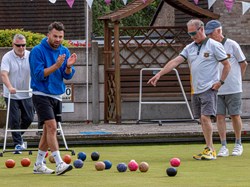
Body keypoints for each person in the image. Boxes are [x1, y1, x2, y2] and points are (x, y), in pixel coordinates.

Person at [147, 19, 231, 160]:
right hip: (196, 89)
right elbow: (175, 61)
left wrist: (220, 82)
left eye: (194, 33)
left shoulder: (214, 46)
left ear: (201, 29)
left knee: (205, 117)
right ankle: (208, 148)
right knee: (202, 119)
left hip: (209, 88)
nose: (192, 36)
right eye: (190, 33)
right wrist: (159, 74)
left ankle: (211, 149)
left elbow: (227, 65)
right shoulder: (189, 47)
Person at [29, 22, 77, 175]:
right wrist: (56, 65)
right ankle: (59, 163)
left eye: (61, 37)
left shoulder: (64, 50)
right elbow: (38, 75)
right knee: (52, 127)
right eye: (55, 36)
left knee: (46, 130)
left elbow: (67, 75)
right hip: (41, 94)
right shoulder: (37, 51)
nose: (58, 39)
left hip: (57, 95)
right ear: (48, 34)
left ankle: (38, 164)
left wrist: (68, 66)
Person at [205, 20, 248, 157]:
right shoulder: (209, 46)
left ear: (218, 31)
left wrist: (238, 80)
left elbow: (243, 63)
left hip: (233, 87)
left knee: (235, 115)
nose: (209, 36)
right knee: (219, 116)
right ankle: (223, 145)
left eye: (211, 33)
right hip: (216, 88)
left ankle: (238, 143)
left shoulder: (232, 44)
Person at [1, 34, 34, 154]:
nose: (21, 47)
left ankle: (18, 137)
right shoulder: (7, 57)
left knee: (29, 118)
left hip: (27, 92)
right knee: (14, 119)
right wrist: (9, 87)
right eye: (18, 45)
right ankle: (18, 145)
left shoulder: (31, 55)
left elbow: (37, 71)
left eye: (23, 45)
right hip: (11, 94)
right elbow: (4, 74)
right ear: (13, 45)